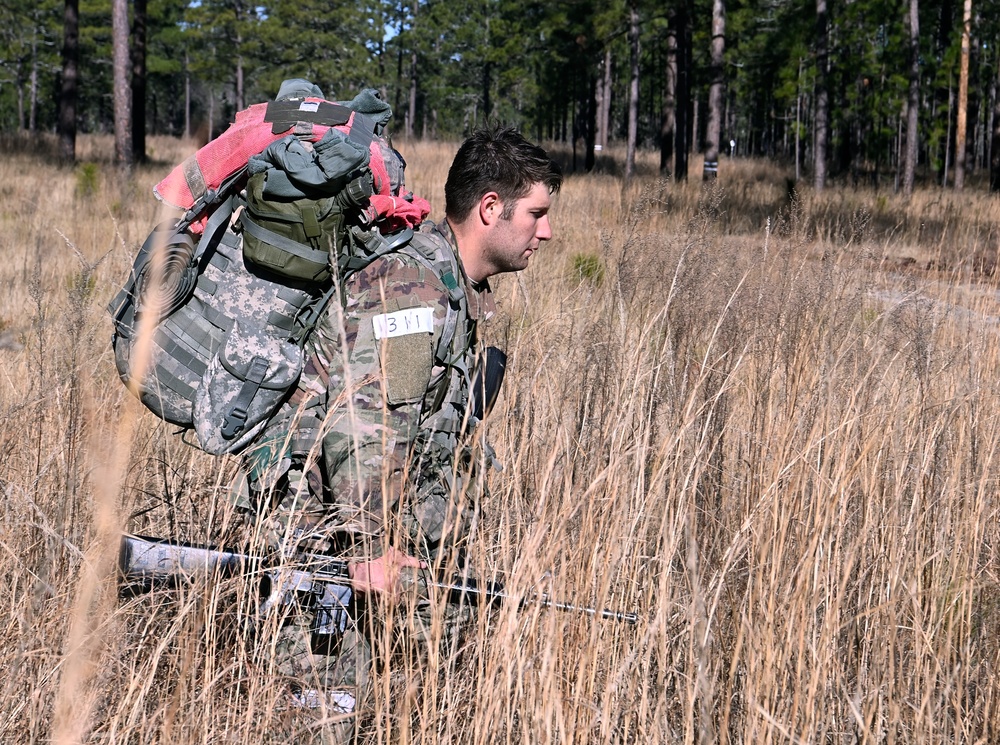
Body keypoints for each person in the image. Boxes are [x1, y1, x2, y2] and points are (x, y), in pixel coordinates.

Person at [238, 123, 562, 742]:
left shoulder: (448, 286)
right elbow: (364, 424)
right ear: (490, 209)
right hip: (326, 558)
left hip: (367, 551)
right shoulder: (411, 289)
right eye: (537, 214)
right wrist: (369, 551)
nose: (545, 232)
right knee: (324, 723)